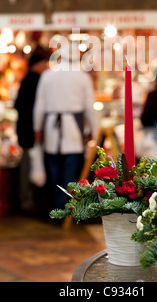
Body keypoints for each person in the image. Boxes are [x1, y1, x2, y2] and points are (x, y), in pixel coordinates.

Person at [33, 46, 98, 210]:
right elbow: (90, 107)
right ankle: (65, 206)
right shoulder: (82, 77)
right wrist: (95, 132)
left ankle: (57, 205)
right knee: (71, 169)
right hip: (73, 131)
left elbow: (39, 106)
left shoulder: (47, 76)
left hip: (51, 128)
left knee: (53, 167)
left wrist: (37, 129)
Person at [14, 46, 50, 213]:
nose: (47, 67)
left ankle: (28, 199)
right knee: (28, 166)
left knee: (30, 165)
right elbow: (28, 108)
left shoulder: (29, 80)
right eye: (45, 63)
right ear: (38, 64)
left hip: (26, 130)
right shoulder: (33, 81)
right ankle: (26, 201)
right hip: (29, 131)